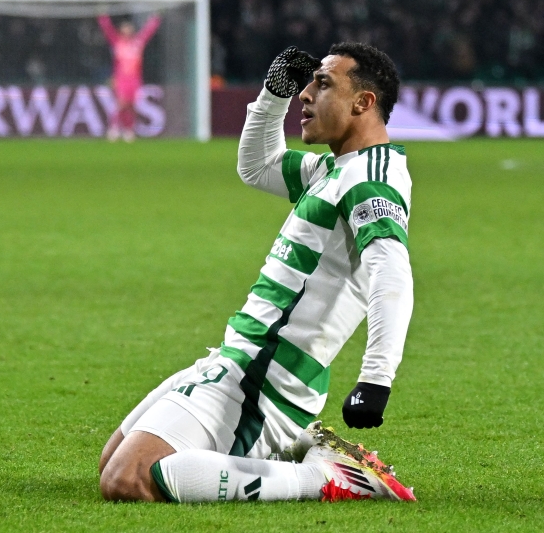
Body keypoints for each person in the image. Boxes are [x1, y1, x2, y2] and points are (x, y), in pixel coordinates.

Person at [98, 43, 417, 503]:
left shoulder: (370, 179)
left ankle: (327, 477)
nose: (306, 94)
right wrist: (273, 95)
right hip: (242, 357)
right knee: (112, 460)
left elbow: (392, 275)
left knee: (128, 479)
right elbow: (258, 166)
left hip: (265, 380)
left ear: (362, 102)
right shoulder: (335, 168)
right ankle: (299, 444)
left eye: (323, 84)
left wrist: (376, 378)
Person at [98, 14, 161, 142]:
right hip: (121, 79)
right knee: (121, 104)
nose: (127, 31)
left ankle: (129, 129)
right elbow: (108, 31)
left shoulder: (137, 43)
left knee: (131, 106)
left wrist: (155, 20)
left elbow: (147, 32)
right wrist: (103, 18)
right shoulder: (117, 42)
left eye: (129, 28)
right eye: (125, 28)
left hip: (135, 79)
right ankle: (114, 128)